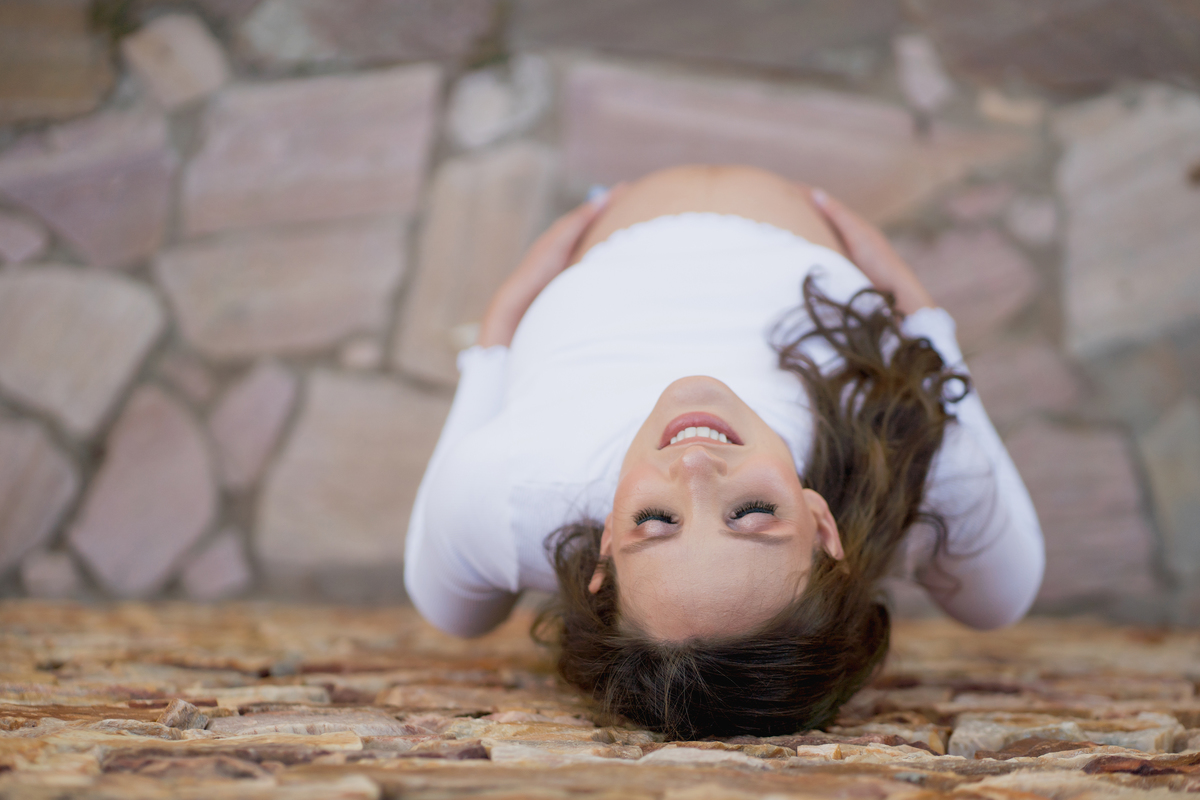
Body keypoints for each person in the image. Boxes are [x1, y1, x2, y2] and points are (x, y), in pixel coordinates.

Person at [405, 165, 1044, 739]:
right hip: (797, 210)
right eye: (753, 512)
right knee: (992, 604)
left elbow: (446, 608)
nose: (694, 467)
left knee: (461, 615)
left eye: (656, 521)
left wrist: (494, 341)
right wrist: (925, 319)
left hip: (620, 225)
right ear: (822, 525)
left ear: (604, 546)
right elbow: (1005, 601)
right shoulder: (927, 468)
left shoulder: (512, 492)